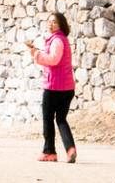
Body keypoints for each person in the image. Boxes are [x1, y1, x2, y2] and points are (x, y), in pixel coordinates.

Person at [27, 10, 77, 163]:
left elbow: (53, 60)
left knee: (48, 119)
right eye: (49, 21)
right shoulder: (60, 40)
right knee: (61, 119)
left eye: (54, 21)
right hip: (67, 87)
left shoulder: (57, 41)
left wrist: (36, 54)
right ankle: (70, 149)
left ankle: (49, 152)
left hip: (54, 87)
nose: (50, 24)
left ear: (61, 25)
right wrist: (36, 51)